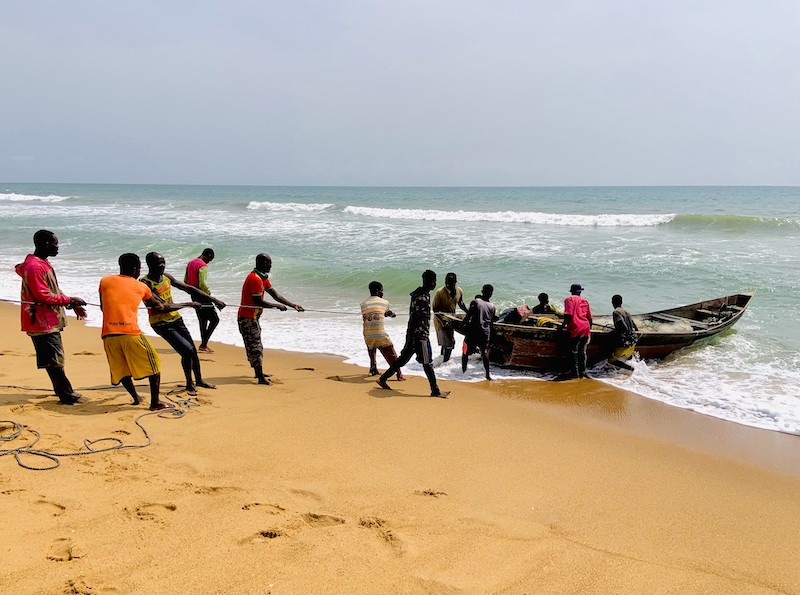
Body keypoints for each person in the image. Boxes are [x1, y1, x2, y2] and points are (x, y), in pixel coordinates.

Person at [15, 230, 88, 405]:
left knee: (52, 357)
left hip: (47, 319)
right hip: (40, 321)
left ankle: (61, 390)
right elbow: (42, 295)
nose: (57, 247)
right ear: (45, 244)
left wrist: (71, 304)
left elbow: (53, 290)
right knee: (55, 359)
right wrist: (69, 299)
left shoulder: (43, 263)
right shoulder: (35, 267)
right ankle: (67, 395)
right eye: (55, 243)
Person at [99, 253, 174, 411]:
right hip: (130, 333)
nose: (140, 271)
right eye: (139, 268)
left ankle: (136, 397)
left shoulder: (105, 281)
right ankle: (155, 403)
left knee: (122, 369)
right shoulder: (141, 286)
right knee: (154, 365)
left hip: (108, 335)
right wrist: (180, 305)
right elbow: (157, 306)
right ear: (134, 269)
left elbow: (102, 306)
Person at [142, 252, 222, 395]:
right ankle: (189, 385)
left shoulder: (166, 277)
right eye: (158, 263)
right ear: (149, 265)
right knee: (187, 350)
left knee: (192, 350)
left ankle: (199, 381)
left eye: (163, 263)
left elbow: (189, 288)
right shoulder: (145, 283)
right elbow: (162, 306)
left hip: (176, 319)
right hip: (160, 323)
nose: (162, 266)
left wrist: (214, 300)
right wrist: (189, 304)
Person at [377, 270, 449, 398]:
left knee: (402, 360)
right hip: (420, 335)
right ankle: (435, 390)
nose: (435, 284)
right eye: (434, 281)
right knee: (428, 362)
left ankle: (383, 378)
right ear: (429, 282)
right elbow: (416, 318)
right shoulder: (421, 297)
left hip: (413, 334)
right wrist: (419, 336)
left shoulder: (420, 293)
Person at [237, 253, 304, 385]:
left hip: (253, 318)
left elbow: (275, 294)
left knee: (255, 345)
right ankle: (260, 377)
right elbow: (258, 302)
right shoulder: (255, 279)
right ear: (261, 263)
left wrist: (292, 305)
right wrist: (276, 306)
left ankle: (258, 372)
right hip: (247, 318)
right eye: (268, 263)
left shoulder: (263, 278)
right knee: (255, 346)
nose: (270, 266)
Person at [360, 281, 404, 380]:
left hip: (367, 334)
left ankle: (373, 368)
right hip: (380, 335)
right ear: (379, 291)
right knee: (391, 353)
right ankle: (399, 374)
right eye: (382, 290)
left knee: (371, 345)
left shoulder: (363, 304)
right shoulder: (385, 302)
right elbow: (387, 313)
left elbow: (374, 313)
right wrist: (392, 314)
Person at [184, 248, 225, 352]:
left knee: (202, 320)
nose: (208, 262)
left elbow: (185, 280)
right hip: (202, 295)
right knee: (215, 319)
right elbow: (202, 283)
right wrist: (209, 294)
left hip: (193, 295)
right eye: (209, 260)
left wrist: (191, 291)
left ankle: (204, 344)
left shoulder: (190, 263)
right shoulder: (202, 265)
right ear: (208, 256)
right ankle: (203, 344)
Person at [461, 284, 497, 380]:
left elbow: (468, 316)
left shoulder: (476, 302)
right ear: (491, 294)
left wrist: (463, 324)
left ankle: (464, 372)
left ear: (482, 291)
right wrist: (491, 337)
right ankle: (487, 375)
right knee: (484, 353)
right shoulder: (492, 306)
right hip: (485, 333)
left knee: (465, 351)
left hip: (473, 331)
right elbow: (491, 323)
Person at [431, 272, 468, 362]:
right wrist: (443, 321)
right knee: (447, 343)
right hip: (440, 321)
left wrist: (468, 312)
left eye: (451, 282)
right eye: (447, 282)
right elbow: (435, 309)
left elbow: (461, 303)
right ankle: (444, 361)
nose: (448, 284)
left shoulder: (459, 290)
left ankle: (443, 360)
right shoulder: (439, 292)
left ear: (455, 281)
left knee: (449, 342)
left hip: (451, 320)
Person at [561, 283, 593, 378]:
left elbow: (568, 315)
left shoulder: (569, 299)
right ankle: (582, 372)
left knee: (573, 351)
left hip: (576, 327)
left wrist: (563, 325)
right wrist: (589, 329)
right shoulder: (585, 301)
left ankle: (574, 373)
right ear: (580, 292)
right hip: (585, 328)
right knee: (582, 352)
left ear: (571, 291)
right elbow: (590, 318)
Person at [609, 294, 638, 372]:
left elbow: (623, 326)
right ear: (621, 302)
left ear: (612, 302)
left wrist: (615, 332)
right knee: (625, 357)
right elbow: (635, 327)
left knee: (611, 361)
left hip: (625, 342)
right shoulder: (626, 311)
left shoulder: (616, 312)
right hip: (632, 341)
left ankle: (631, 369)